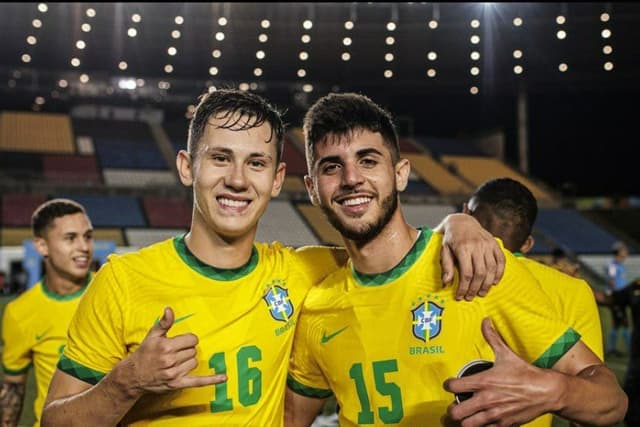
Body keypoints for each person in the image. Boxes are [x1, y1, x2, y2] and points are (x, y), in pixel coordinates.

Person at [41, 89, 503, 426]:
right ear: (187, 167)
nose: (239, 180)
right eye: (220, 158)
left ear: (278, 178)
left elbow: (386, 245)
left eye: (256, 163)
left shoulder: (304, 271)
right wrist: (128, 382)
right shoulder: (123, 280)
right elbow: (54, 422)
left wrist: (456, 224)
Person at [285, 92, 627, 427]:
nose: (351, 178)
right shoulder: (318, 307)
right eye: (332, 167)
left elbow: (611, 400)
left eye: (368, 160)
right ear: (312, 188)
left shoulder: (481, 268)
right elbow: (291, 419)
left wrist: (556, 391)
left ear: (401, 173)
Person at [462, 177, 605, 427]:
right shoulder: (571, 290)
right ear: (527, 244)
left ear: (465, 215)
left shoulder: (433, 270)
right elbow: (592, 399)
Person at [1, 198, 94, 427]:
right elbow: (13, 389)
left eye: (88, 236)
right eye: (70, 238)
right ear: (42, 246)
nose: (84, 246)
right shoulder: (20, 312)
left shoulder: (113, 289)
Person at [594, 278, 640, 426]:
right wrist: (576, 283)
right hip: (638, 356)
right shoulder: (636, 285)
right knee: (633, 406)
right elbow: (610, 299)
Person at [605, 241, 631, 357]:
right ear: (618, 252)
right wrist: (614, 297)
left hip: (622, 296)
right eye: (624, 250)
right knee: (623, 322)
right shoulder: (613, 265)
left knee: (618, 323)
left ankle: (612, 348)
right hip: (617, 297)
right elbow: (611, 281)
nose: (626, 252)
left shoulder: (620, 265)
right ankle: (630, 349)